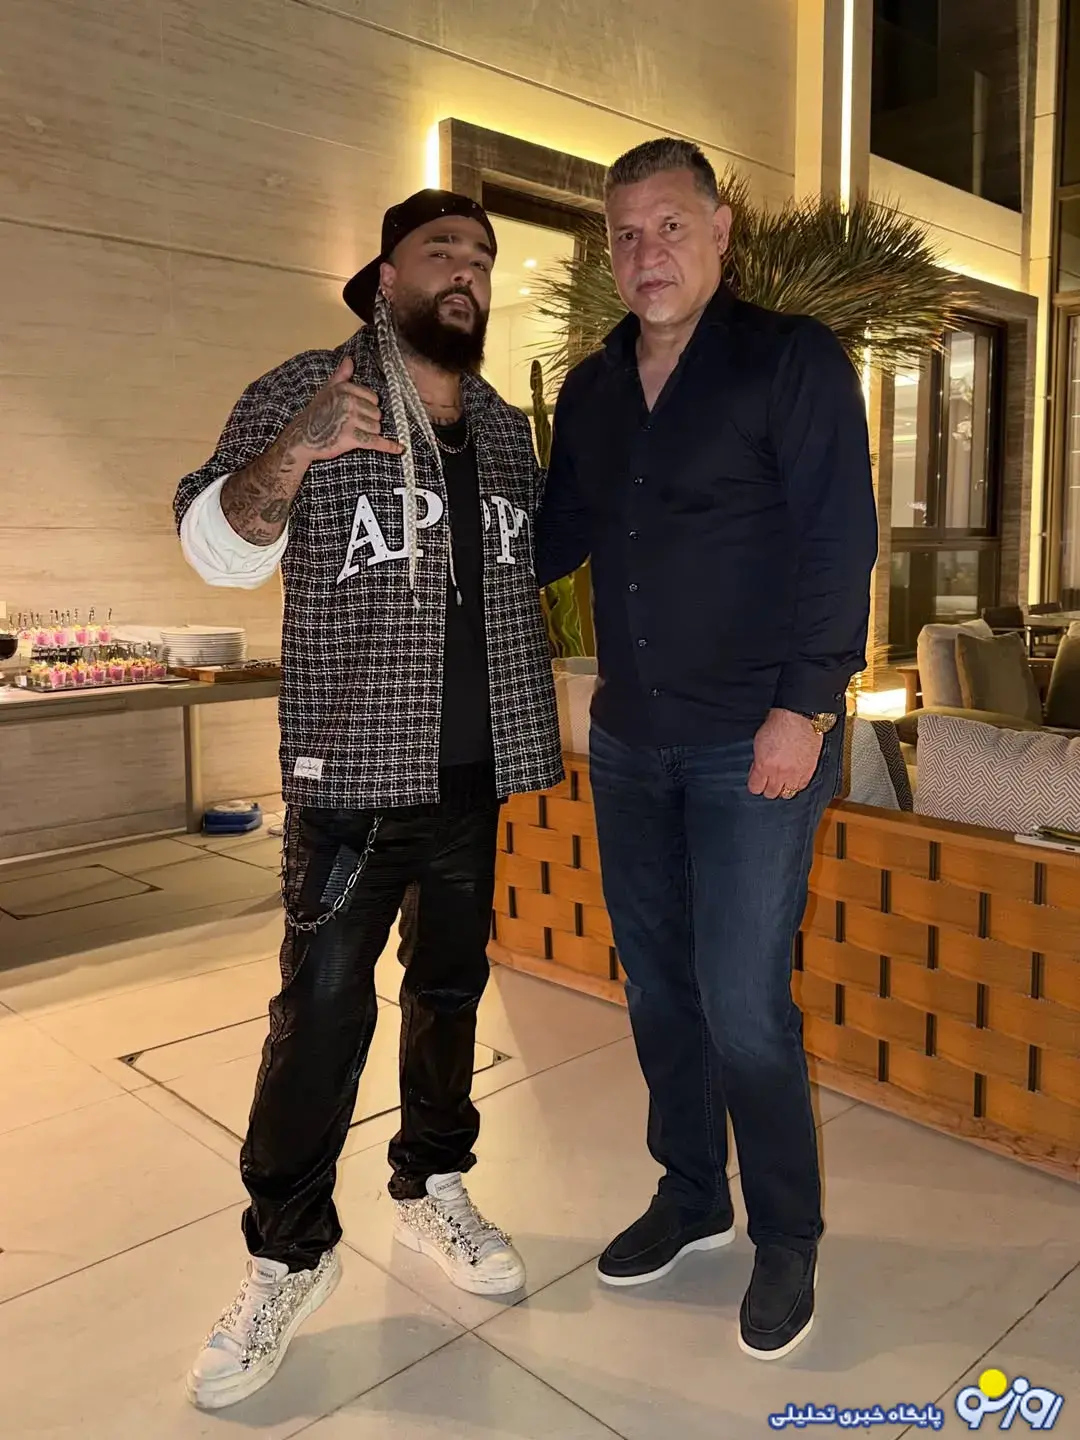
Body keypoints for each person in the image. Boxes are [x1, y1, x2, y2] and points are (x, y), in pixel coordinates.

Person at [174, 189, 562, 1410]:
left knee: (450, 994)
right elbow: (213, 542)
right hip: (350, 779)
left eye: (483, 257)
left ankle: (432, 1179)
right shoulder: (314, 387)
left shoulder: (503, 429)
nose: (467, 271)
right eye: (441, 250)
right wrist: (296, 449)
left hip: (472, 779)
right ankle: (288, 1254)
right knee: (321, 1016)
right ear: (385, 277)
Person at [536, 139, 877, 1360]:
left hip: (753, 744)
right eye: (626, 234)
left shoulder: (790, 360)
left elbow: (841, 540)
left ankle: (787, 1234)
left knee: (742, 1004)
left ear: (721, 231)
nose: (647, 254)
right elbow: (556, 535)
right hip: (631, 741)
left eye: (670, 226)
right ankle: (692, 1196)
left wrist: (805, 709)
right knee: (661, 990)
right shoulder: (592, 389)